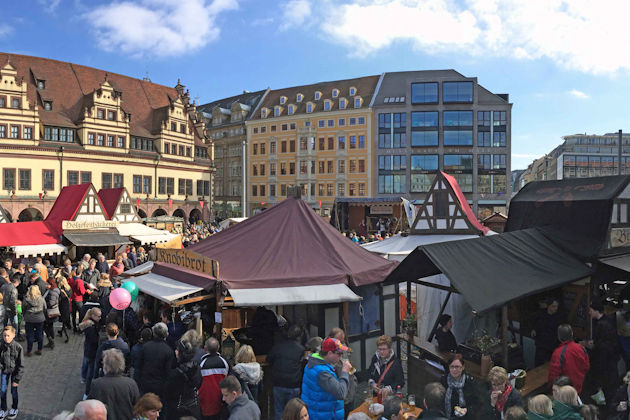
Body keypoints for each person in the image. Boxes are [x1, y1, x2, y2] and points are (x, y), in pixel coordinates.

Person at [301, 337, 351, 420]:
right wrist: (345, 372)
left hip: (318, 412)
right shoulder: (322, 372)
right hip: (323, 415)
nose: (340, 356)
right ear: (330, 353)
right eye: (339, 354)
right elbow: (341, 393)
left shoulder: (314, 362)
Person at [88, 348, 139, 420]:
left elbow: (90, 406)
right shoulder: (131, 384)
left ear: (106, 367)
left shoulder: (97, 384)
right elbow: (137, 406)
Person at [268, 325, 306, 420]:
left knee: (279, 410)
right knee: (294, 412)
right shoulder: (300, 349)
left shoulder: (278, 346)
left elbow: (268, 359)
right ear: (299, 336)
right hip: (294, 384)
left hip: (279, 383)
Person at [586, 298, 620, 405]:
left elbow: (605, 345)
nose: (589, 312)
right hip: (610, 362)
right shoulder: (607, 322)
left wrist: (594, 345)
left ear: (596, 310)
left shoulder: (602, 325)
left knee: (607, 387)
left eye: (591, 310)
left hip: (605, 363)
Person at [137, 322, 175, 401]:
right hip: (160, 387)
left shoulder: (145, 347)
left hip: (145, 384)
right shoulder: (168, 351)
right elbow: (168, 372)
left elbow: (138, 366)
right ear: (166, 334)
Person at [165, 339, 202, 419]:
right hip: (194, 408)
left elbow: (168, 394)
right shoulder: (198, 369)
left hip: (178, 411)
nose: (175, 351)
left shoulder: (175, 374)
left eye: (177, 350)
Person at [547, 324, 589, 394]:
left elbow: (553, 375)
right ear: (572, 334)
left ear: (559, 336)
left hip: (564, 392)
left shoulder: (558, 353)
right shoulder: (581, 348)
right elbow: (586, 367)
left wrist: (550, 389)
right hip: (579, 387)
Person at [440, 354, 480, 419]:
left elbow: (476, 404)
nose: (454, 370)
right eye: (452, 367)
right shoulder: (444, 380)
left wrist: (467, 410)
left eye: (457, 367)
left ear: (463, 367)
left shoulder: (469, 382)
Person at [199, 337, 229, 420]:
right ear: (218, 348)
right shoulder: (225, 363)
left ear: (205, 348)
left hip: (206, 403)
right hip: (221, 401)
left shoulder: (201, 364)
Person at [328, 328, 357, 417]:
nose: (341, 343)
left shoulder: (343, 348)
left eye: (342, 340)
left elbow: (350, 364)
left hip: (350, 390)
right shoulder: (327, 354)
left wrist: (354, 382)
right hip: (339, 395)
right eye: (339, 341)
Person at [531, 297, 563, 366]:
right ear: (548, 306)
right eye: (553, 306)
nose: (556, 308)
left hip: (552, 346)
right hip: (541, 345)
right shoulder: (540, 315)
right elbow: (535, 324)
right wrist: (534, 329)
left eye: (557, 306)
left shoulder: (559, 317)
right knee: (538, 365)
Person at [0, 326, 23, 419]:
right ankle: (3, 409)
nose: (6, 338)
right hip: (5, 371)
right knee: (2, 390)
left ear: (13, 335)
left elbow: (21, 365)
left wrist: (17, 379)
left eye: (8, 335)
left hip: (14, 373)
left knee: (14, 391)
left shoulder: (18, 347)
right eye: (4, 336)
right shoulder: (1, 345)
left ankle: (14, 408)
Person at [79, 307, 102, 397]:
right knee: (90, 372)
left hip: (87, 349)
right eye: (98, 316)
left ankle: (83, 377)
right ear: (93, 315)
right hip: (92, 351)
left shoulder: (88, 324)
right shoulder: (92, 327)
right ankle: (87, 392)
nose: (100, 318)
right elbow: (94, 340)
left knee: (85, 364)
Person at [23, 285, 45, 357]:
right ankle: (39, 349)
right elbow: (45, 307)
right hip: (40, 318)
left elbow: (24, 308)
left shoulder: (26, 299)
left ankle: (29, 351)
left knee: (30, 335)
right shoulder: (41, 298)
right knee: (39, 334)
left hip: (29, 318)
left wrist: (24, 315)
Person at [43, 278, 60, 349]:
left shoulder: (52, 292)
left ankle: (51, 340)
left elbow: (51, 303)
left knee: (47, 326)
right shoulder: (50, 290)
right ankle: (51, 341)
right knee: (49, 327)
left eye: (47, 284)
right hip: (49, 312)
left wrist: (43, 303)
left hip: (50, 312)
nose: (46, 285)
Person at [57, 277, 71, 343]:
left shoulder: (61, 290)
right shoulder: (69, 288)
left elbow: (59, 298)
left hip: (62, 306)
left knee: (63, 321)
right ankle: (61, 332)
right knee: (64, 321)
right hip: (67, 305)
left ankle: (67, 336)